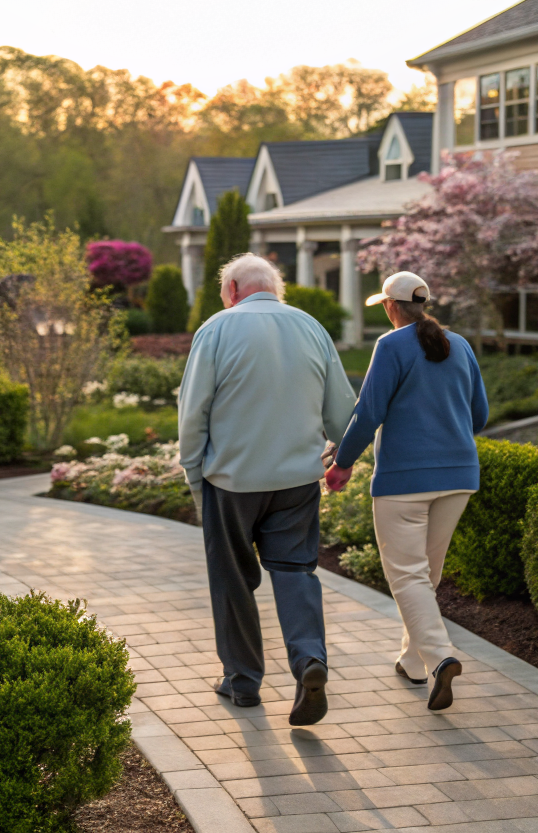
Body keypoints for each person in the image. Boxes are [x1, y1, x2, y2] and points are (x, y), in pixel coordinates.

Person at [178, 252, 356, 725]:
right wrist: (341, 457)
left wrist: (195, 477)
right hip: (297, 481)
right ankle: (309, 661)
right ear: (274, 288)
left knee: (233, 579)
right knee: (296, 572)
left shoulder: (217, 328)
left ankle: (243, 684)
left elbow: (193, 414)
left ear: (232, 290)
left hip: (232, 482)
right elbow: (342, 410)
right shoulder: (312, 327)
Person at [324, 271, 488, 712]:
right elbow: (480, 415)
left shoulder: (390, 345)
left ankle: (440, 659)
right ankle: (413, 662)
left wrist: (342, 463)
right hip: (459, 477)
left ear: (390, 307)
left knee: (408, 576)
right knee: (426, 575)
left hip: (405, 481)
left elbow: (368, 411)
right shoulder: (461, 345)